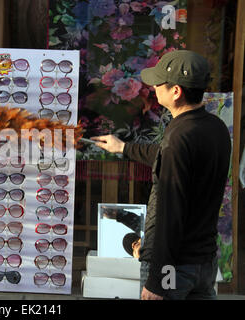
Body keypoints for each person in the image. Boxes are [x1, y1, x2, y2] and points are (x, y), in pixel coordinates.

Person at [91, 50, 231, 300]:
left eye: (159, 82)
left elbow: (170, 213)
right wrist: (122, 147)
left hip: (174, 269)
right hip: (204, 262)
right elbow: (166, 155)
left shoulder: (179, 137)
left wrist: (158, 280)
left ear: (176, 91)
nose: (154, 87)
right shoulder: (215, 127)